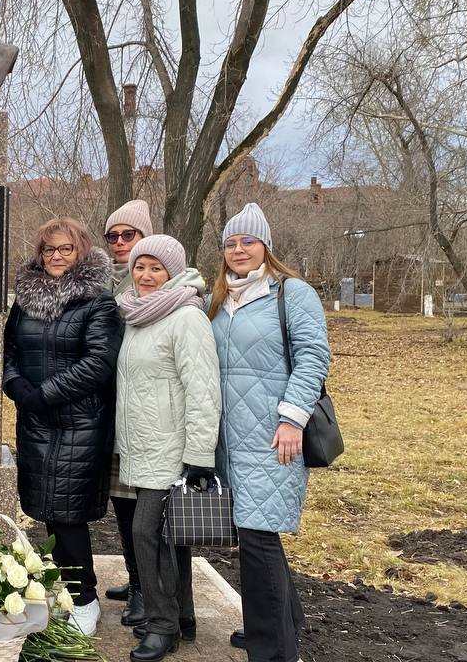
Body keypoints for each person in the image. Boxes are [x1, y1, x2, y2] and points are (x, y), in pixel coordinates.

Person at [209, 203, 330, 662]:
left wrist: (291, 417)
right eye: (231, 243)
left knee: (259, 536)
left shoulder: (292, 293)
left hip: (273, 436)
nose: (238, 250)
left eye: (248, 241)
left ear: (266, 247)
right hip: (227, 440)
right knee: (254, 533)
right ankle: (285, 620)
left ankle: (272, 649)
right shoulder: (220, 298)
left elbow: (313, 358)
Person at [2, 217, 121, 636]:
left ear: (81, 253)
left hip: (79, 423)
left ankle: (85, 599)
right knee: (47, 510)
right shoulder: (25, 301)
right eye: (49, 249)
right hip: (35, 421)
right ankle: (65, 591)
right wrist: (16, 386)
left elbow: (98, 364)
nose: (56, 256)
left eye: (65, 249)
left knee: (69, 514)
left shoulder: (99, 303)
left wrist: (44, 394)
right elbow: (10, 348)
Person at [113, 235, 221, 662]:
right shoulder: (138, 315)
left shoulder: (186, 317)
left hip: (171, 448)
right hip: (142, 444)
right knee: (170, 538)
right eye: (140, 267)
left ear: (173, 272)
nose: (145, 276)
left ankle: (162, 627)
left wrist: (198, 456)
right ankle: (184, 617)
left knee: (147, 533)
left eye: (156, 268)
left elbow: (203, 391)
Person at [100, 199, 152, 626]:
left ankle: (144, 589)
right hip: (111, 407)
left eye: (128, 235)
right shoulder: (107, 282)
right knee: (121, 500)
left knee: (140, 509)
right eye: (112, 236)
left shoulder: (149, 285)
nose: (119, 243)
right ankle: (135, 576)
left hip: (144, 412)